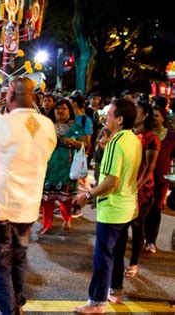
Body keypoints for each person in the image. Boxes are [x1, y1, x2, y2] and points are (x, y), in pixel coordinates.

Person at [0, 77, 56, 315]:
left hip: (1, 209)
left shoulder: (1, 123)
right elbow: (45, 155)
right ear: (33, 96)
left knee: (0, 264)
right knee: (19, 256)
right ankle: (18, 303)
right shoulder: (46, 125)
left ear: (10, 96)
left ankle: (10, 310)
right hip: (28, 209)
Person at [74, 98, 142, 314]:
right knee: (116, 252)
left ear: (120, 119)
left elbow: (112, 180)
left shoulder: (116, 142)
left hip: (113, 208)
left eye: (110, 114)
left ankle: (96, 302)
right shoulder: (134, 140)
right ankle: (116, 291)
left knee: (103, 256)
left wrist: (88, 194)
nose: (106, 117)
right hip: (127, 206)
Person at [40, 99, 86, 235]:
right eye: (57, 108)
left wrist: (71, 141)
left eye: (63, 108)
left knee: (65, 198)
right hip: (49, 166)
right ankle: (46, 224)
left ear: (69, 111)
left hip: (67, 167)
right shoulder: (48, 126)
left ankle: (67, 219)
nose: (60, 111)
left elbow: (85, 145)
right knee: (47, 199)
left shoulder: (76, 127)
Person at [124, 100, 160, 277]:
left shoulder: (151, 138)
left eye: (136, 111)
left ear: (145, 115)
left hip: (142, 189)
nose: (133, 113)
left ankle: (134, 263)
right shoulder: (127, 134)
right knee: (122, 225)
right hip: (126, 186)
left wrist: (136, 187)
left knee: (137, 226)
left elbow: (149, 168)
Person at [145, 105, 175, 253]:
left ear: (163, 117)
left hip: (162, 178)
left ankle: (151, 241)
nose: (155, 118)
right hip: (145, 176)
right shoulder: (147, 134)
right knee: (144, 206)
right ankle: (143, 236)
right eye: (153, 115)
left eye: (157, 115)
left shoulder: (171, 135)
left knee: (156, 208)